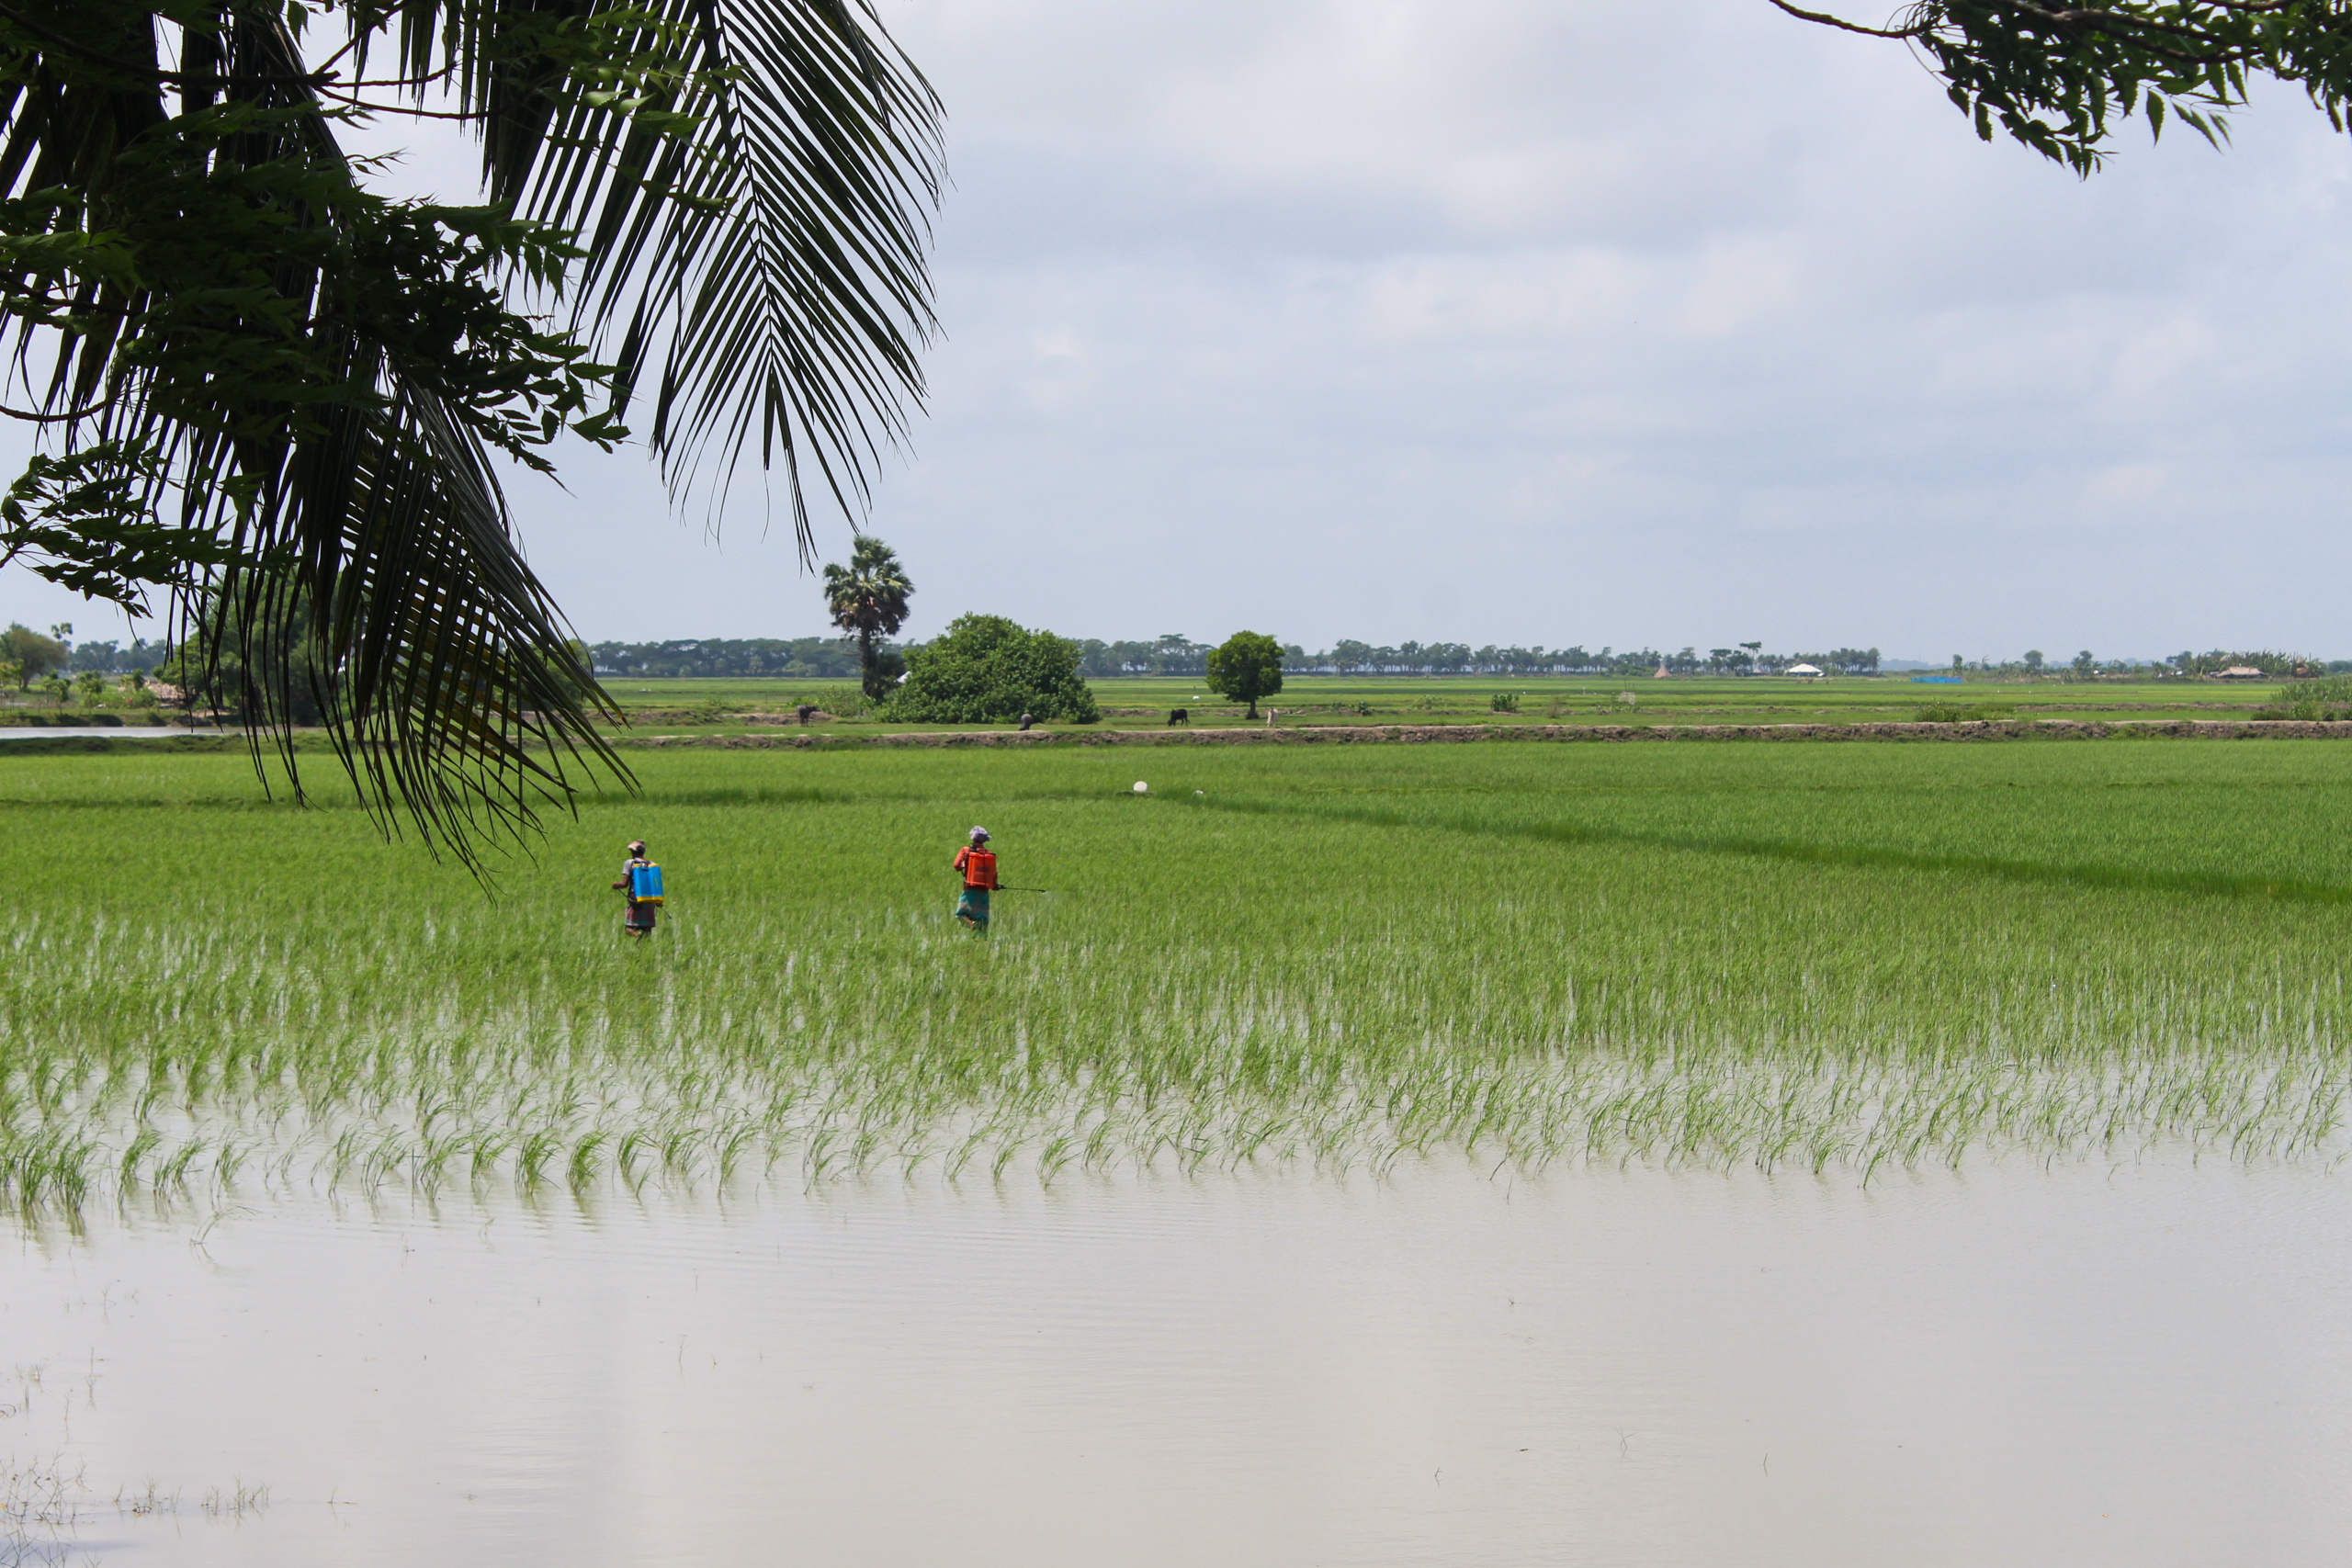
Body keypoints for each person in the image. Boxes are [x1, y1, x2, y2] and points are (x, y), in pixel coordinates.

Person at [952, 826, 998, 932]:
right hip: (984, 894)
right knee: (982, 925)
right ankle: (981, 944)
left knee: (960, 915)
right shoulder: (989, 855)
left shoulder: (966, 851)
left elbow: (956, 865)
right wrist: (995, 886)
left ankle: (972, 924)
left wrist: (963, 865)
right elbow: (994, 874)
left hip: (969, 891)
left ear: (973, 838)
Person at [613, 839, 661, 938]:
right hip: (650, 900)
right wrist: (658, 902)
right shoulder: (651, 864)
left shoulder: (630, 863)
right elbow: (656, 885)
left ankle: (639, 936)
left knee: (629, 929)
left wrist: (615, 885)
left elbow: (624, 883)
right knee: (647, 930)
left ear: (633, 852)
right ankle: (644, 948)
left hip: (636, 900)